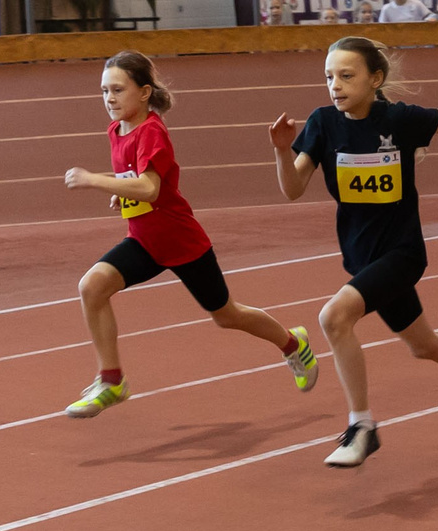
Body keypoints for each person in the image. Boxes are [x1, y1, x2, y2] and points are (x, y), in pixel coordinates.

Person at [271, 35, 438, 467]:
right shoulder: (322, 124)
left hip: (402, 253)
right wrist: (281, 151)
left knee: (334, 317)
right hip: (361, 258)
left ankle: (362, 426)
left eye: (347, 76)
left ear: (376, 79)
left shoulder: (401, 120)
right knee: (423, 345)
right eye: (329, 77)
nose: (335, 85)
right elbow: (292, 189)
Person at [61, 51, 318, 416]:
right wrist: (121, 193)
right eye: (104, 91)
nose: (110, 99)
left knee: (227, 315)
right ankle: (112, 380)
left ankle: (293, 344)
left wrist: (94, 181)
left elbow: (149, 188)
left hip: (181, 242)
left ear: (145, 92)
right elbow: (139, 182)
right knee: (91, 287)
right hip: (145, 242)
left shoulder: (152, 131)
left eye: (118, 89)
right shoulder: (116, 130)